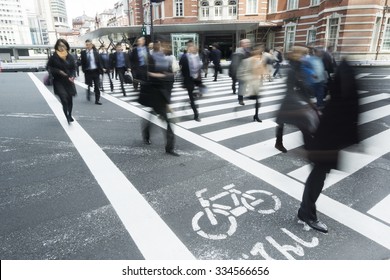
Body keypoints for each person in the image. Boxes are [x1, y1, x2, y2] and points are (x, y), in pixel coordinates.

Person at [298, 58, 359, 233]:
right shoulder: (345, 74)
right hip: (327, 138)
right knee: (318, 176)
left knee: (318, 174)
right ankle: (307, 213)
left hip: (327, 136)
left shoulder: (343, 73)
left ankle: (306, 211)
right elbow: (349, 107)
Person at [274, 46, 317, 153]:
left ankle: (308, 144)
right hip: (290, 101)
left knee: (290, 122)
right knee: (292, 122)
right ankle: (280, 143)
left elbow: (301, 86)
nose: (306, 57)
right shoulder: (292, 69)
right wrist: (301, 101)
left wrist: (309, 101)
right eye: (304, 55)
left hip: (293, 100)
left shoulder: (298, 66)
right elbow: (290, 87)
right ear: (299, 55)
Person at [140, 41, 179, 156]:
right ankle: (169, 148)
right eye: (164, 45)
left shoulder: (165, 58)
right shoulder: (151, 58)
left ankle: (147, 135)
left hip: (162, 93)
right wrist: (162, 75)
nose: (167, 47)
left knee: (153, 116)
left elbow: (168, 75)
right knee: (167, 121)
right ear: (159, 46)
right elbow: (147, 73)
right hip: (154, 93)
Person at [46, 39, 77, 124]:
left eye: (63, 46)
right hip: (58, 81)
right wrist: (58, 71)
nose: (62, 48)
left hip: (69, 80)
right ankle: (66, 116)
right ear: (57, 47)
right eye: (60, 46)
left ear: (66, 47)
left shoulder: (70, 57)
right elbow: (48, 67)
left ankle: (70, 114)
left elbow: (73, 68)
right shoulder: (53, 57)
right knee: (64, 99)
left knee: (70, 100)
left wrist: (73, 76)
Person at [237, 45, 266, 122]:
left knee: (258, 100)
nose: (259, 53)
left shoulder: (260, 60)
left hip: (257, 83)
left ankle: (256, 115)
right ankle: (242, 99)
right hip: (250, 83)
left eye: (260, 51)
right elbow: (240, 73)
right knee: (255, 98)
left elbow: (262, 70)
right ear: (253, 51)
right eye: (258, 51)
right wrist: (251, 78)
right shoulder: (246, 61)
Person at [179, 44, 203, 122]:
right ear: (188, 49)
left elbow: (199, 69)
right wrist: (183, 79)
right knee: (192, 98)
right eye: (191, 48)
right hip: (188, 80)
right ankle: (196, 115)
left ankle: (192, 102)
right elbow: (181, 67)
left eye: (194, 48)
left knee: (198, 95)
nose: (193, 49)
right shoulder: (184, 57)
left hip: (197, 80)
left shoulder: (197, 57)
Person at [228, 39, 251, 105]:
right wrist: (234, 73)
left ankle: (241, 95)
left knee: (244, 85)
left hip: (246, 71)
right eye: (246, 43)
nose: (248, 44)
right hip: (241, 72)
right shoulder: (239, 52)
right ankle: (240, 99)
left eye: (248, 43)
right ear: (241, 44)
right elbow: (235, 64)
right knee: (241, 85)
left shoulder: (248, 51)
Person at [80, 39, 102, 105]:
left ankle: (97, 100)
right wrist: (84, 70)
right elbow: (82, 63)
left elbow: (99, 62)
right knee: (89, 84)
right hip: (88, 72)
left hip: (95, 71)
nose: (88, 46)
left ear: (92, 45)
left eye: (89, 45)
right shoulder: (83, 53)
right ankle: (88, 91)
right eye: (87, 45)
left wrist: (101, 71)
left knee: (97, 86)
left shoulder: (96, 53)